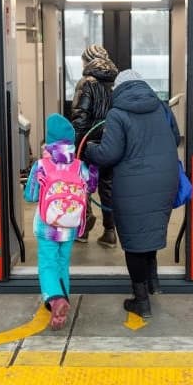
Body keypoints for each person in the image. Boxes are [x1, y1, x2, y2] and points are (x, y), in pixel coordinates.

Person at [83, 70, 180, 318]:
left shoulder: (117, 114)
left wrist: (89, 150)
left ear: (118, 89)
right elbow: (174, 138)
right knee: (150, 230)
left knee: (135, 241)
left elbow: (109, 154)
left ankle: (141, 301)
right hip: (165, 178)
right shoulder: (161, 107)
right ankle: (153, 283)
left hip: (134, 183)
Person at [24, 113, 98, 330]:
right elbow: (90, 188)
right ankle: (62, 299)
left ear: (49, 140)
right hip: (70, 226)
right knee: (62, 263)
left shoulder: (41, 165)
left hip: (47, 226)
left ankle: (55, 300)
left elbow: (30, 196)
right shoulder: (79, 166)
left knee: (48, 263)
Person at [70, 44, 119, 247]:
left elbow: (80, 117)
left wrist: (76, 148)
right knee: (107, 186)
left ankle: (83, 228)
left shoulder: (86, 83)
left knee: (83, 183)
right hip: (109, 142)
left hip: (88, 142)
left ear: (88, 61)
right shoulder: (115, 82)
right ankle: (110, 232)